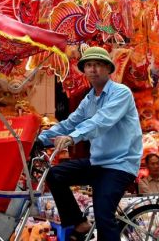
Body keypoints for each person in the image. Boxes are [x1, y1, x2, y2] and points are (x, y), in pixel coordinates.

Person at [37, 46, 143, 241]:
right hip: (97, 163)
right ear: (84, 70)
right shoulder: (89, 99)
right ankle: (79, 222)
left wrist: (72, 138)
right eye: (89, 65)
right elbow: (70, 123)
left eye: (98, 65)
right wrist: (39, 140)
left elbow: (101, 121)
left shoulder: (121, 93)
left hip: (119, 165)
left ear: (108, 69)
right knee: (54, 174)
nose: (93, 69)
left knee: (104, 216)